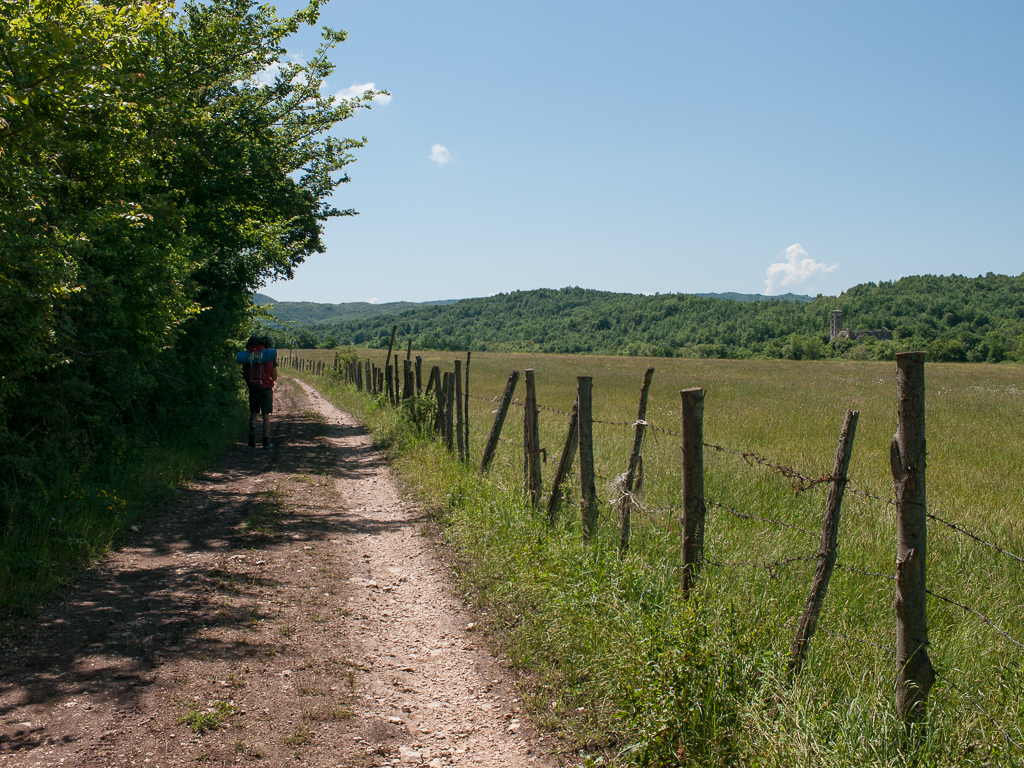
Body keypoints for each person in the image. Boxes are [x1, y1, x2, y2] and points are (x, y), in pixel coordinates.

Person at [241, 335, 278, 448]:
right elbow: (275, 377)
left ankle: (252, 430)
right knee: (265, 415)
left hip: (253, 388)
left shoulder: (248, 356)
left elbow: (245, 373)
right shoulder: (268, 356)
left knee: (253, 412)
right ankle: (265, 441)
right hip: (265, 388)